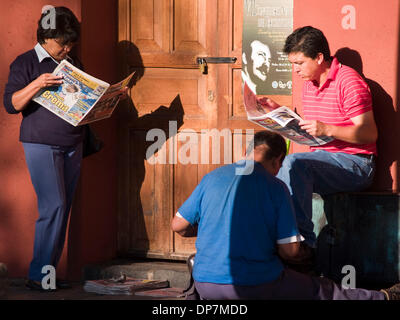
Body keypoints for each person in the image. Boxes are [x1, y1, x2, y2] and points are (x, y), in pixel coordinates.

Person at [171, 130, 399, 300]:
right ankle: (384, 298)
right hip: (253, 285)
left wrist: (217, 230)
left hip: (204, 283)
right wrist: (304, 254)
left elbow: (178, 226)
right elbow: (290, 251)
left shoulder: (212, 177)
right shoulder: (276, 187)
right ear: (278, 161)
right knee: (325, 291)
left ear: (245, 152)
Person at [260, 26, 378, 270]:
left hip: (357, 164)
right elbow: (312, 129)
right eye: (293, 63)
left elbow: (369, 132)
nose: (296, 70)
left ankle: (301, 247)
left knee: (293, 164)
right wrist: (280, 113)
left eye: (300, 63)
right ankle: (279, 240)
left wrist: (328, 129)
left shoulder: (349, 82)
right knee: (273, 170)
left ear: (320, 58)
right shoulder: (309, 84)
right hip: (324, 160)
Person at [3, 7, 84, 291]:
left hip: (73, 142)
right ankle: (38, 275)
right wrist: (37, 85)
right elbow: (11, 104)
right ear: (45, 38)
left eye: (70, 43)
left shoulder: (72, 61)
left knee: (63, 209)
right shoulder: (25, 63)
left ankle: (47, 276)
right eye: (63, 43)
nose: (67, 48)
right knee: (54, 205)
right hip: (41, 143)